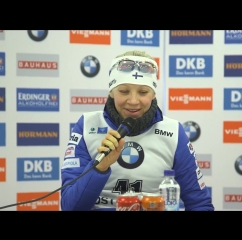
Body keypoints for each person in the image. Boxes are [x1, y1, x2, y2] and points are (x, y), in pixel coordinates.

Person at [60, 50, 214, 211]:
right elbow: (70, 207)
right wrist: (100, 167)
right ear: (111, 92)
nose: (133, 101)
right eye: (124, 91)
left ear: (153, 94)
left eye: (143, 92)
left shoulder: (174, 131)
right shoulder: (87, 124)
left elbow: (200, 204)